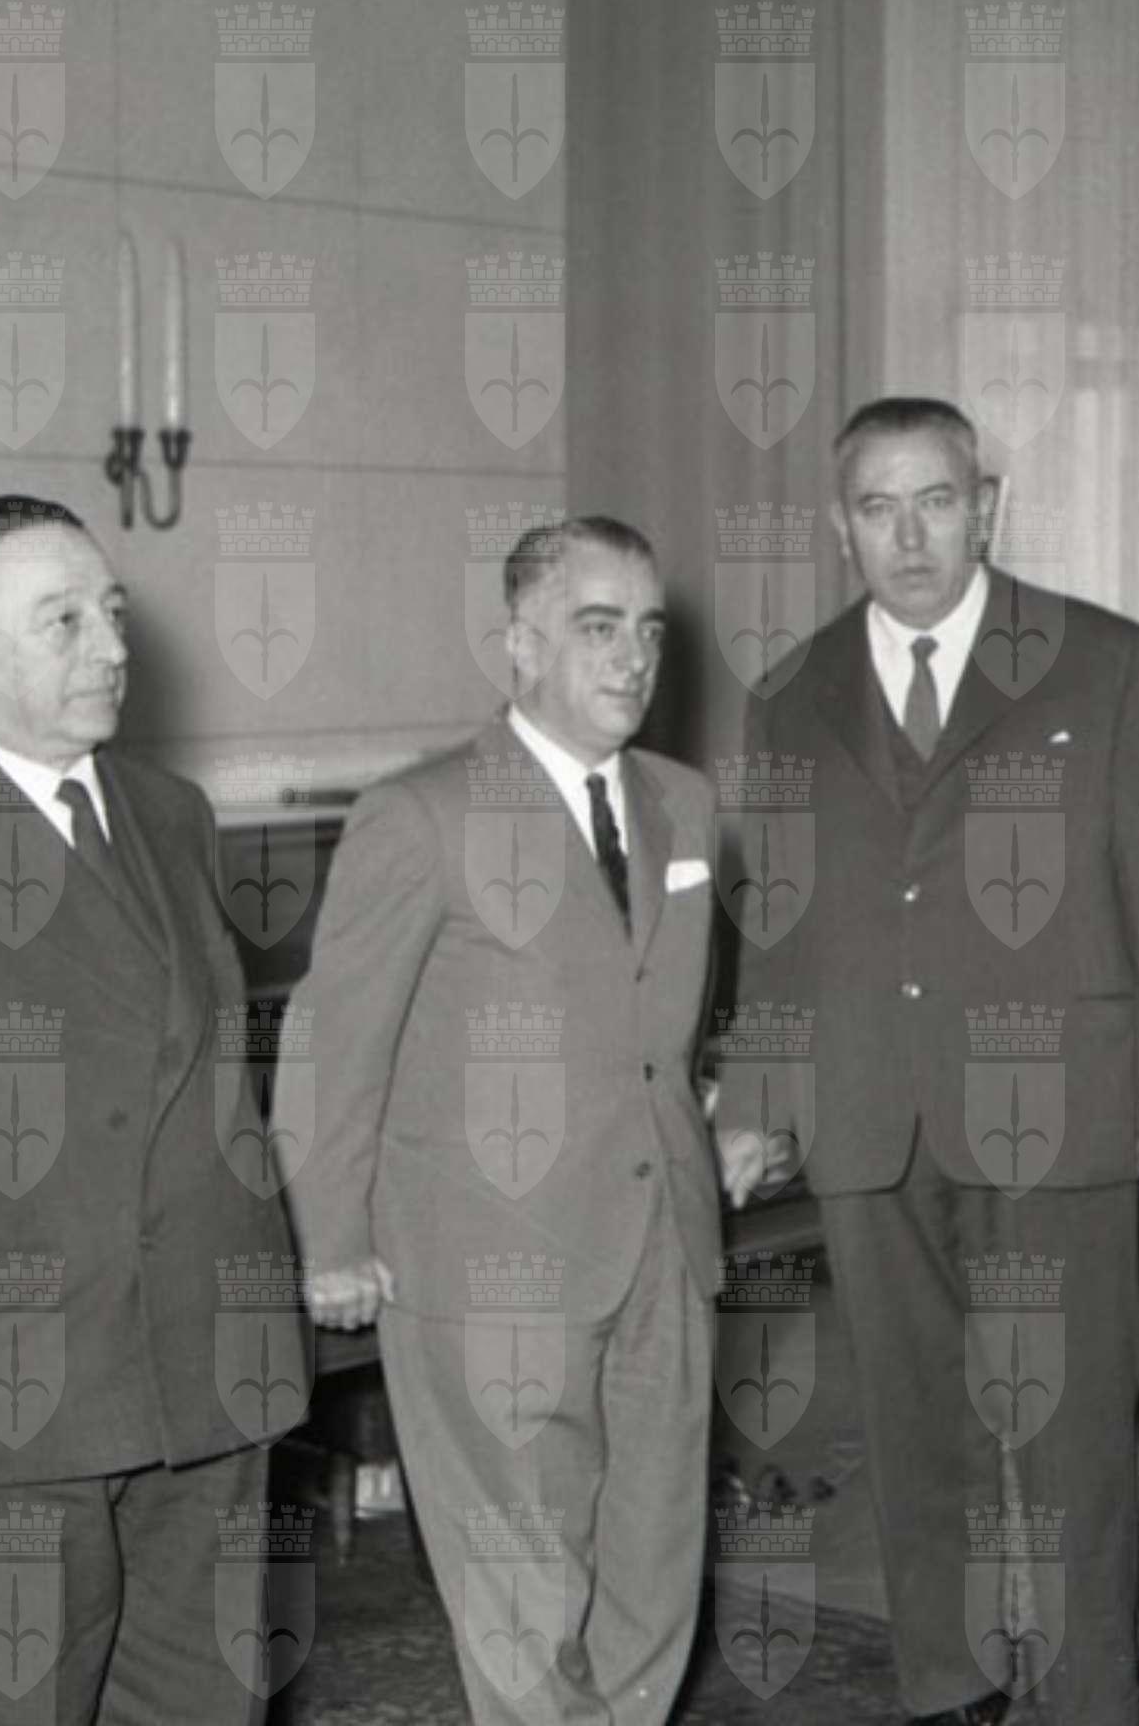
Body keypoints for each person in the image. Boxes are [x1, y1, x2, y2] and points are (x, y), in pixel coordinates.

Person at [726, 397, 1139, 1725]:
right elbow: (777, 918)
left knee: (1069, 1437)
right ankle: (948, 1686)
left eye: (935, 502)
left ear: (985, 507)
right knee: (909, 1427)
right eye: (878, 508)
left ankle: (1090, 1699)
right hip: (867, 1112)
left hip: (1058, 1102)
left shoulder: (1102, 659)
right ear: (839, 526)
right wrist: (760, 1095)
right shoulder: (790, 692)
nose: (909, 537)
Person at [280, 516, 749, 1726]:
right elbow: (332, 1041)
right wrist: (332, 1239)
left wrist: (736, 1114)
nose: (632, 657)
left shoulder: (684, 803)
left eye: (649, 630)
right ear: (521, 645)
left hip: (663, 1245)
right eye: (598, 628)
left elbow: (672, 1016)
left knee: (653, 1567)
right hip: (487, 1261)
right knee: (523, 1593)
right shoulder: (422, 814)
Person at [0, 495, 296, 1722]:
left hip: (204, 1379)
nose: (111, 646)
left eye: (112, 612)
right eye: (60, 620)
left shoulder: (173, 814)